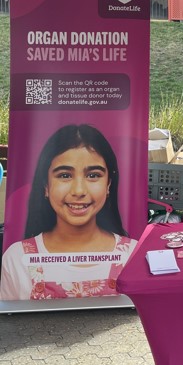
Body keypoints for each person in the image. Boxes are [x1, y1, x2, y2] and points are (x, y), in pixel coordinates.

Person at [0, 124, 137, 300]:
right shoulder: (18, 258)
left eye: (93, 175)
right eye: (64, 175)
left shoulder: (132, 255)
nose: (79, 191)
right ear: (45, 186)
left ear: (109, 184)